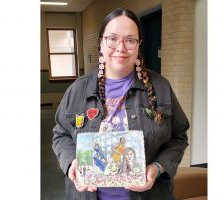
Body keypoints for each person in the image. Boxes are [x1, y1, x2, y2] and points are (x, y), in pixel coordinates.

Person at [52, 7, 189, 200]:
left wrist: (157, 168)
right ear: (101, 42)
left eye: (130, 40)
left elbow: (179, 137)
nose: (121, 47)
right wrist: (70, 162)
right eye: (112, 38)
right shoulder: (78, 90)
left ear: (139, 44)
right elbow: (61, 133)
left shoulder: (160, 87)